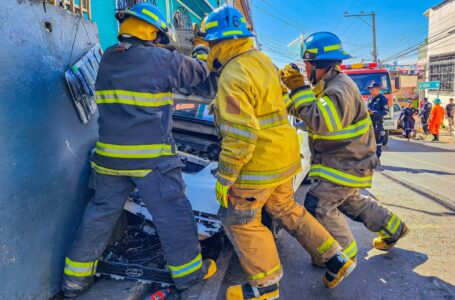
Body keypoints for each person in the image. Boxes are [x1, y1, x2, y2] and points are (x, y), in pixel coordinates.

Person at [61, 3, 217, 297]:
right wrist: (200, 45)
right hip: (151, 160)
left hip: (108, 158)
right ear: (153, 32)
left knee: (99, 213)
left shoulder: (108, 57)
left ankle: (73, 282)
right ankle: (189, 278)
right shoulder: (163, 59)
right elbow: (200, 73)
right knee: (173, 214)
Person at [205, 7, 355, 299]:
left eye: (211, 44)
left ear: (219, 42)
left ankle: (265, 286)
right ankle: (336, 258)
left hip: (256, 168)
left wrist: (225, 178)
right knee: (287, 209)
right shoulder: (262, 61)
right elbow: (285, 102)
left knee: (240, 220)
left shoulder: (232, 75)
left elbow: (239, 136)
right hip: (284, 159)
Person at [280, 32, 409, 267]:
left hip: (345, 163)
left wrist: (297, 90)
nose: (303, 70)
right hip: (348, 161)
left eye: (305, 64)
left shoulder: (338, 88)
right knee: (351, 202)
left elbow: (319, 120)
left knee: (318, 205)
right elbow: (307, 111)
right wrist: (285, 95)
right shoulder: (328, 84)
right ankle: (395, 227)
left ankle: (342, 255)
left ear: (316, 62)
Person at [367, 82, 389, 161]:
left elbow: (386, 111)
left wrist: (374, 113)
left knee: (377, 141)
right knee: (368, 141)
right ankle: (370, 158)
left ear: (378, 90)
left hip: (377, 123)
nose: (371, 91)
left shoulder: (382, 99)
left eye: (372, 89)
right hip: (368, 123)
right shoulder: (369, 99)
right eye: (370, 89)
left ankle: (377, 158)